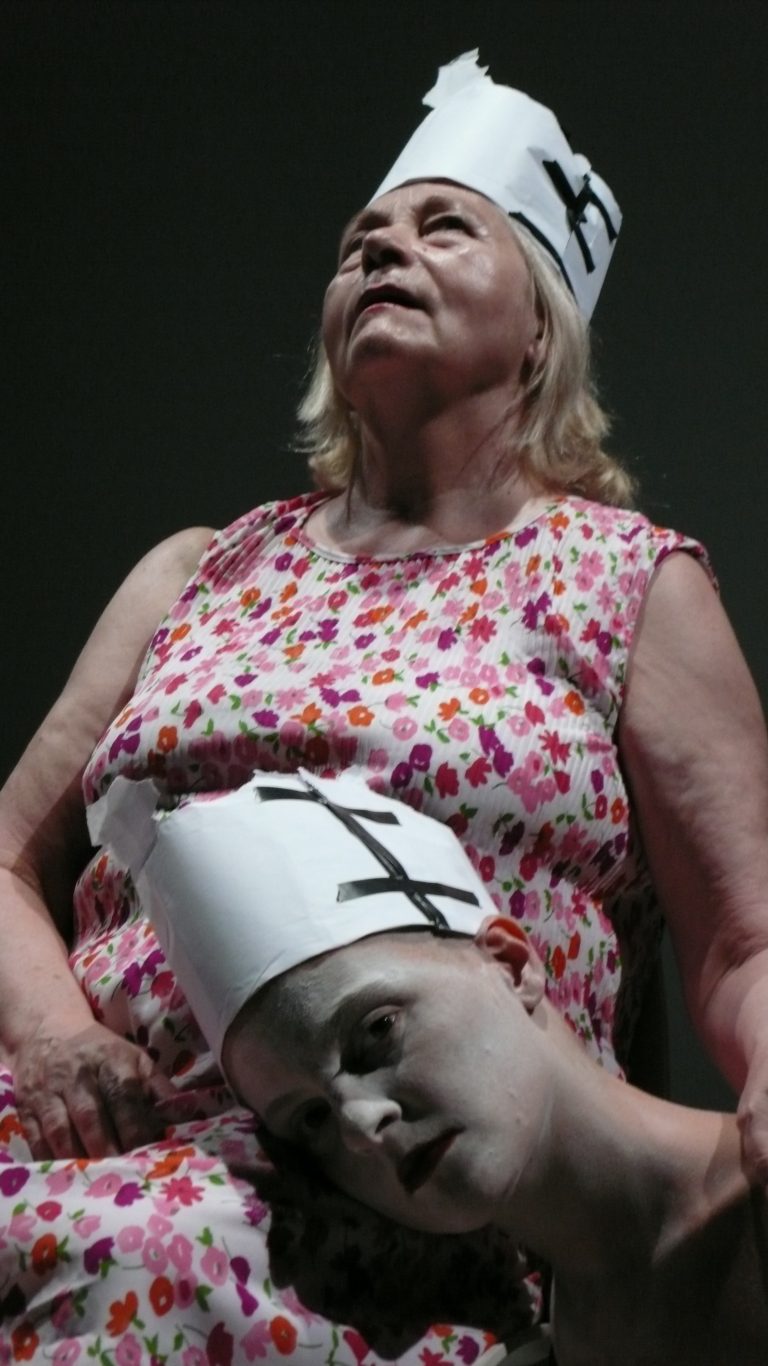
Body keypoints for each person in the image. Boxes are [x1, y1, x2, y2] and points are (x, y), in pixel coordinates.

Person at [1, 46, 767, 1360]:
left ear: (541, 328)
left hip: (391, 1184)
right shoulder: (199, 569)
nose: (379, 252)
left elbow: (743, 944)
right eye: (360, 240)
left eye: (443, 225)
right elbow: (9, 858)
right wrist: (57, 1037)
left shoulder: (626, 581)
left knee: (144, 1263)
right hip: (85, 1120)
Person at [92, 768, 768, 1366]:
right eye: (312, 1118)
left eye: (377, 1031)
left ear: (511, 963)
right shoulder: (557, 1345)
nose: (361, 1123)